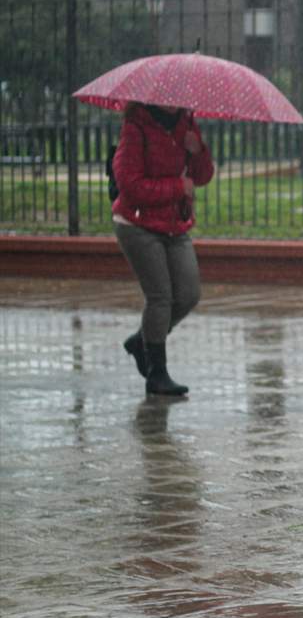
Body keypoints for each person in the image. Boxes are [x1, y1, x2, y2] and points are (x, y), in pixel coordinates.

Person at [112, 102, 214, 397]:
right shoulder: (136, 127)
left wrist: (199, 151)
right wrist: (176, 188)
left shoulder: (186, 122)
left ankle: (141, 341)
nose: (176, 101)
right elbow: (129, 185)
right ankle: (157, 374)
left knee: (188, 294)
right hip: (137, 223)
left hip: (174, 224)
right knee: (161, 298)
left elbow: (203, 176)